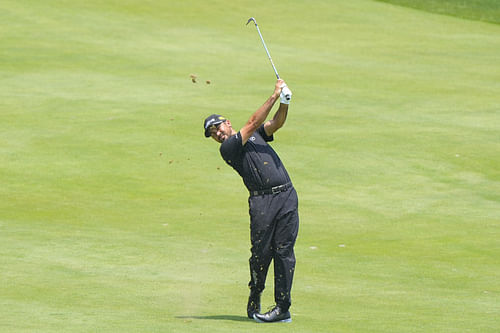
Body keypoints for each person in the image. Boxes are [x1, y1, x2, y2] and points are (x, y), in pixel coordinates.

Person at [203, 79, 299, 323]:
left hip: (286, 195)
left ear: (227, 123)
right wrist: (274, 95)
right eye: (212, 134)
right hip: (262, 203)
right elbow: (253, 121)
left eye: (217, 127)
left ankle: (282, 308)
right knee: (260, 254)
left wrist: (285, 103)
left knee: (284, 252)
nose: (217, 134)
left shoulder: (255, 136)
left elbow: (275, 124)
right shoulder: (228, 149)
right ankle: (255, 296)